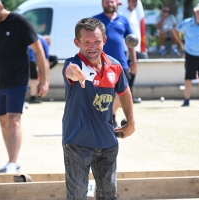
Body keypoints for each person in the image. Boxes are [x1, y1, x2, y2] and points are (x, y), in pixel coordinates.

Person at [62, 17, 135, 199]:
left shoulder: (115, 66)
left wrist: (131, 122)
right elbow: (70, 71)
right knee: (77, 197)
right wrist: (77, 75)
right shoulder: (74, 64)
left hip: (107, 144)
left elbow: (124, 92)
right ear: (77, 43)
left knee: (109, 197)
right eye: (86, 42)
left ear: (105, 41)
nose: (92, 46)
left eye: (97, 41)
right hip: (77, 144)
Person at [0, 0, 49, 173]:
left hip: (17, 80)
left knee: (13, 120)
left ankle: (12, 162)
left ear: (1, 7)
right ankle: (13, 162)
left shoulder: (21, 22)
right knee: (3, 121)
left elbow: (39, 51)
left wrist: (44, 80)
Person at [94, 0, 137, 128]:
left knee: (122, 92)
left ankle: (111, 114)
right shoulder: (95, 21)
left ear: (116, 3)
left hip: (120, 64)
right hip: (100, 64)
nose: (109, 4)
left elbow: (131, 42)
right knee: (101, 95)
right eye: (106, 1)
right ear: (102, 3)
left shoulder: (123, 20)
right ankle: (103, 120)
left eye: (111, 1)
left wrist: (134, 61)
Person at [173, 3, 199, 107]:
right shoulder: (187, 23)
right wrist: (181, 43)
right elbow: (175, 30)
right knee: (189, 77)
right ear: (196, 12)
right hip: (191, 54)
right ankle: (186, 100)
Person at [119, 0, 143, 104]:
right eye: (132, 1)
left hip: (135, 48)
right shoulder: (125, 14)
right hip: (127, 48)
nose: (134, 3)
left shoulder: (134, 13)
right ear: (128, 2)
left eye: (136, 1)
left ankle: (130, 95)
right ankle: (124, 97)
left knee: (133, 72)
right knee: (127, 73)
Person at [28, 34, 50, 104]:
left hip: (23, 58)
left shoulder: (35, 36)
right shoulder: (44, 43)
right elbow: (45, 61)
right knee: (33, 78)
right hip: (31, 59)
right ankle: (33, 97)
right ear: (48, 41)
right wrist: (45, 79)